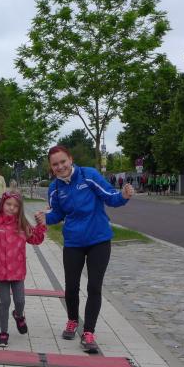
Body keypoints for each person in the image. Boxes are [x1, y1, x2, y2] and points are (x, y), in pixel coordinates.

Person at [36, 145, 134, 352]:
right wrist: (45, 218)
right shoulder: (55, 188)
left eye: (63, 161)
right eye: (55, 164)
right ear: (51, 167)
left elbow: (110, 197)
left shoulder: (88, 175)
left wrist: (124, 196)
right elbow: (57, 214)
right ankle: (72, 320)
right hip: (73, 242)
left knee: (94, 287)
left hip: (99, 239)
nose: (60, 167)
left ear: (70, 159)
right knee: (71, 286)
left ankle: (88, 332)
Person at [0, 192, 46, 347]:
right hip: (0, 270)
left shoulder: (22, 226)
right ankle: (3, 332)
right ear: (2, 205)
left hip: (17, 270)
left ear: (20, 209)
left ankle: (18, 315)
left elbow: (36, 239)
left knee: (20, 300)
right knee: (5, 301)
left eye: (15, 206)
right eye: (8, 204)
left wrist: (41, 224)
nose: (11, 208)